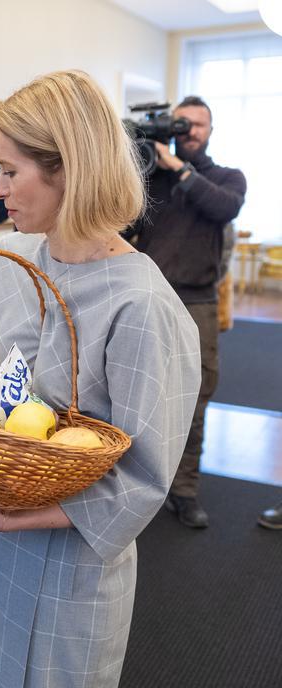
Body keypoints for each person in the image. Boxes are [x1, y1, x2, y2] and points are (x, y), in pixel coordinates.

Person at [0, 70, 200, 687]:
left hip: (71, 563)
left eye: (10, 171)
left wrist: (19, 517)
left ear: (70, 171)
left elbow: (144, 479)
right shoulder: (9, 263)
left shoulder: (142, 306)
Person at [126, 95, 247, 529]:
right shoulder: (150, 179)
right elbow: (123, 226)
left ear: (210, 131)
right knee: (136, 392)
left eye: (198, 124)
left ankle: (184, 491)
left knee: (194, 401)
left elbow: (224, 207)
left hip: (198, 303)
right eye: (182, 123)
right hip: (149, 300)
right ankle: (133, 482)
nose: (190, 131)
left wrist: (179, 168)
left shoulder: (226, 178)